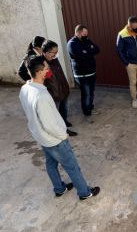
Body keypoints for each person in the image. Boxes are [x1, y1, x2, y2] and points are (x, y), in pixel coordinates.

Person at [19, 56, 100, 200]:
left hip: (41, 137)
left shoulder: (25, 88)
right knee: (72, 167)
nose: (49, 70)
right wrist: (63, 135)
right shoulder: (41, 96)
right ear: (39, 72)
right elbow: (49, 124)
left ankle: (59, 189)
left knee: (51, 163)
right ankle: (84, 192)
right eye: (46, 68)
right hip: (54, 140)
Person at [41, 40, 77, 136]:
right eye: (54, 52)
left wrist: (66, 87)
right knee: (55, 115)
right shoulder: (41, 64)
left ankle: (64, 122)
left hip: (63, 90)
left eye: (57, 52)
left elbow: (60, 74)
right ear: (46, 52)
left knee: (63, 109)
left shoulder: (55, 60)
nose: (56, 54)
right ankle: (63, 130)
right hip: (53, 94)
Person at [67, 25, 100, 122]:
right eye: (84, 33)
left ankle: (90, 107)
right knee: (86, 94)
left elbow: (97, 49)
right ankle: (87, 112)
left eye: (87, 33)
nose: (86, 35)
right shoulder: (72, 44)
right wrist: (89, 50)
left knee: (91, 92)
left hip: (91, 72)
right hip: (82, 75)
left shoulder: (87, 41)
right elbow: (81, 56)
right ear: (78, 32)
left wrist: (87, 51)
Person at [116, 16, 137, 108]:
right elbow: (119, 50)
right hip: (131, 64)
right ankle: (134, 99)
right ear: (129, 25)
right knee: (133, 82)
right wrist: (126, 63)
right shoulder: (122, 34)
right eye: (135, 27)